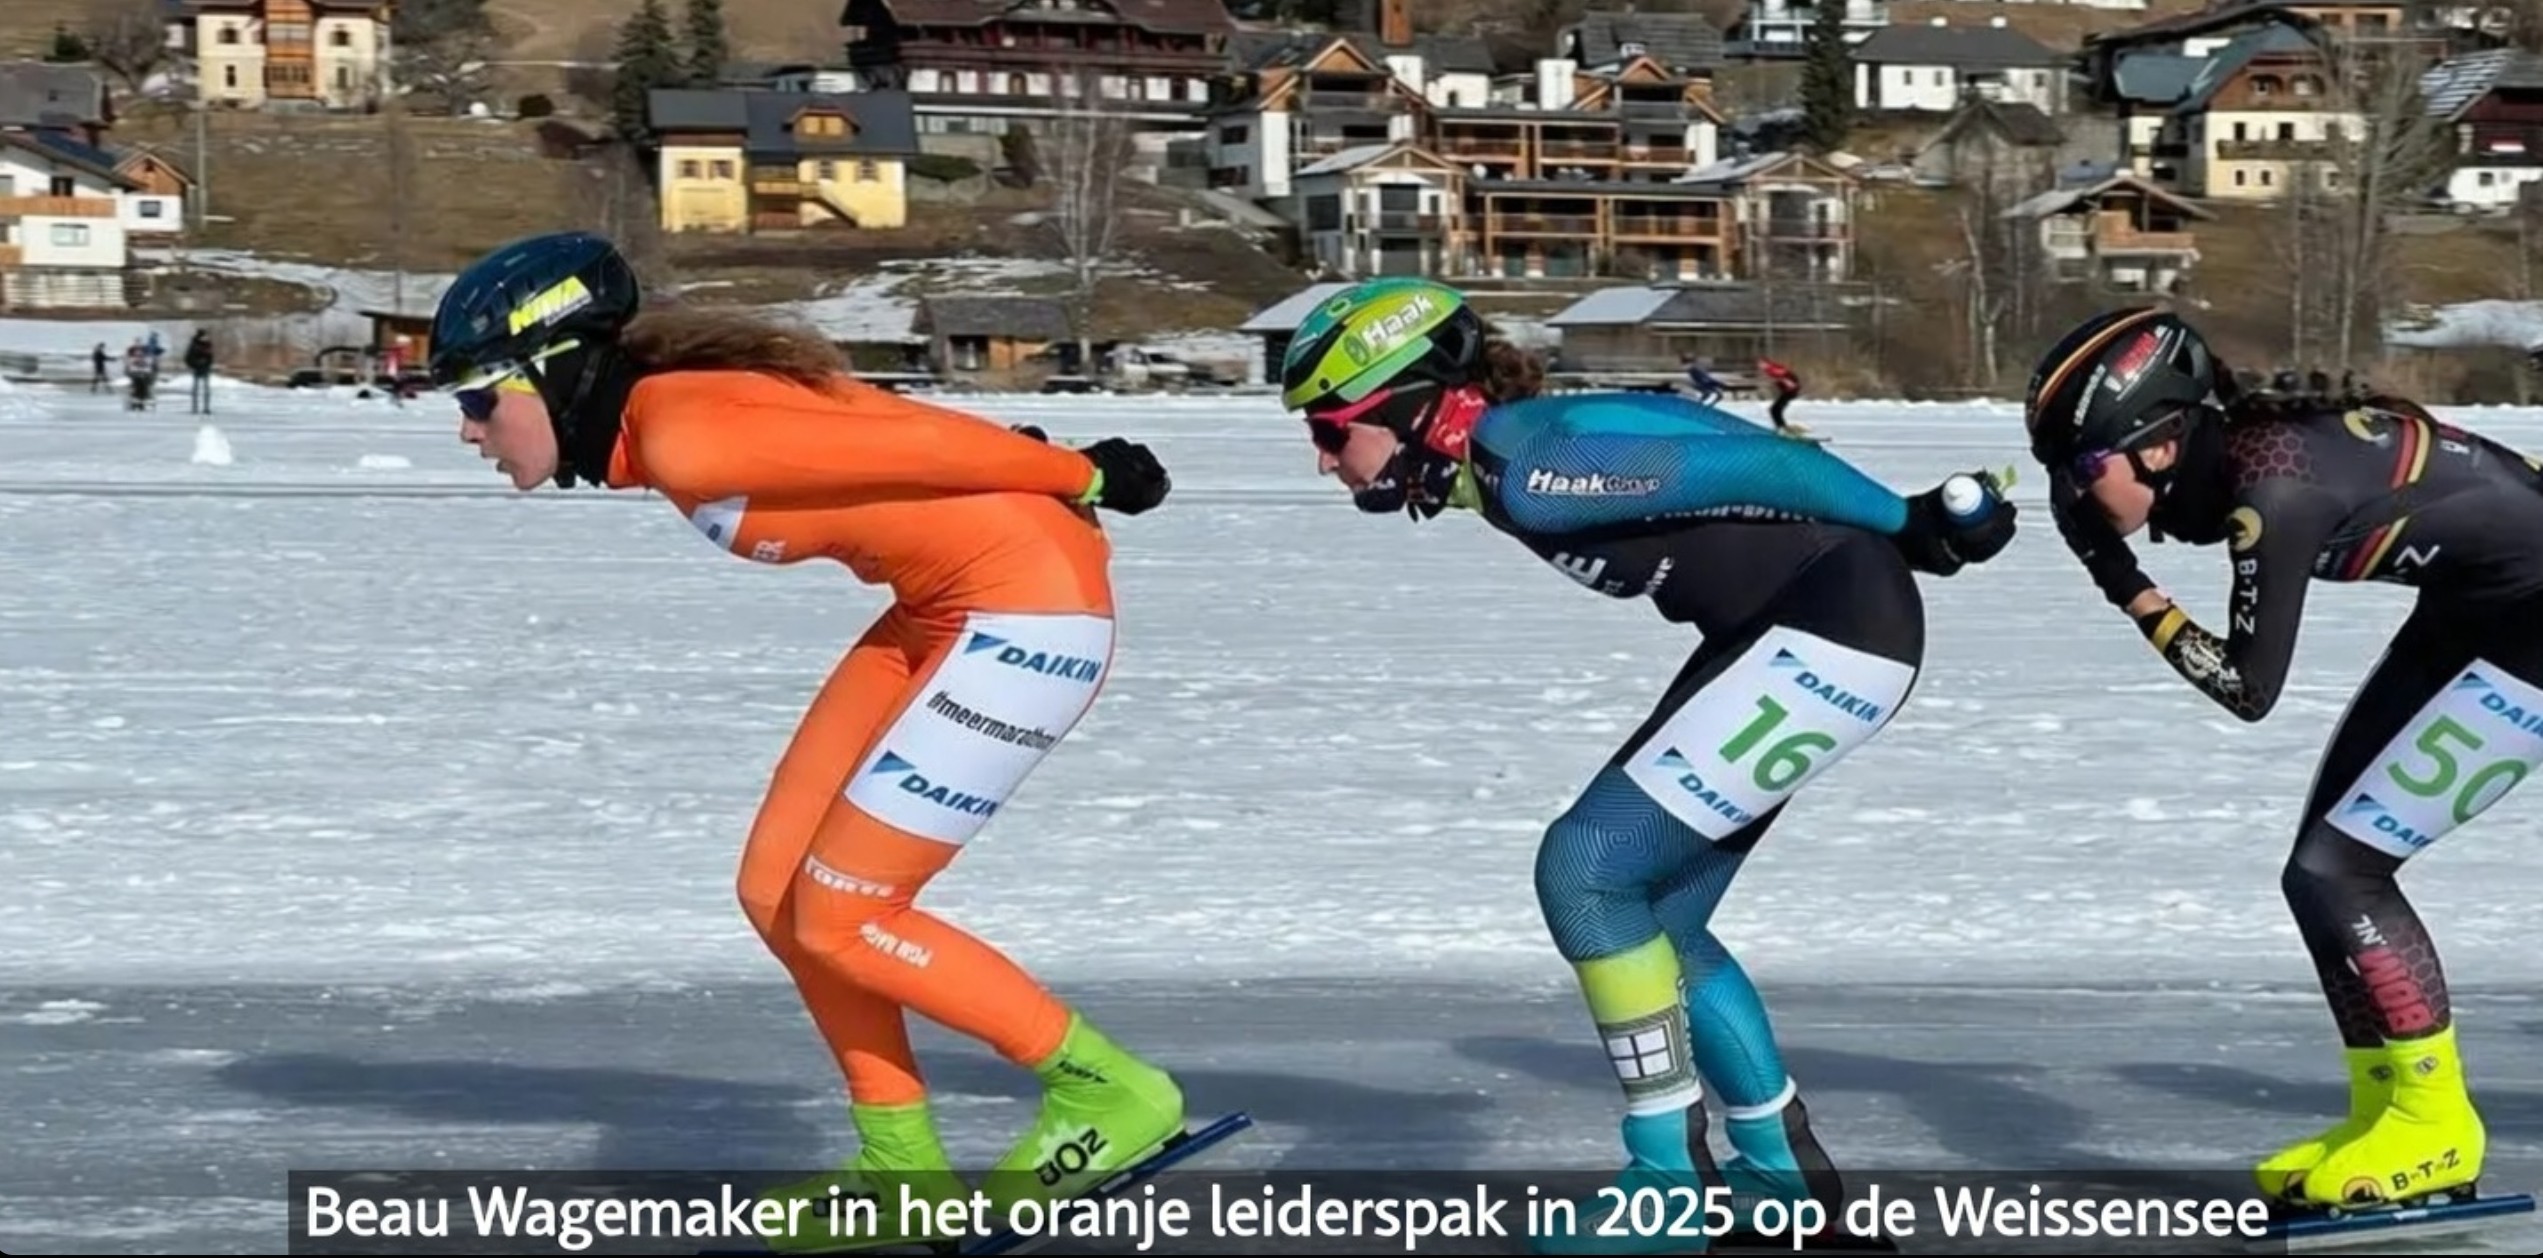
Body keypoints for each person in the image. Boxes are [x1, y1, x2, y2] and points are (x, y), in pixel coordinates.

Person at [426, 230, 1185, 1252]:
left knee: (845, 915)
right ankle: (900, 1164)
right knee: (778, 890)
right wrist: (1034, 466)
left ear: (549, 375)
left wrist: (1073, 473)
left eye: (478, 402)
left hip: (1026, 614)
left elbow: (913, 448)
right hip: (941, 610)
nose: (471, 432)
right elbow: (882, 423)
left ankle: (1109, 1091)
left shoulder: (683, 437)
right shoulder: (669, 414)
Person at [1278, 277, 2019, 1253]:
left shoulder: (1529, 470)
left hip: (1831, 632)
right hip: (1797, 624)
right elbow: (1691, 428)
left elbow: (1761, 464)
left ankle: (1667, 1179)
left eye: (1333, 429)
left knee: (1583, 871)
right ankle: (1780, 1177)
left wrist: (1905, 518)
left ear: (1413, 404)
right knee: (1658, 918)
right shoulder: (1523, 442)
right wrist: (1900, 527)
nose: (1321, 458)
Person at [2025, 305, 2538, 1214]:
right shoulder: (2239, 461)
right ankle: (2387, 1108)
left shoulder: (2273, 492)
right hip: (2476, 608)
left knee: (2343, 871)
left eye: (2079, 469)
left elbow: (2245, 688)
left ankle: (2435, 1124)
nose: (2069, 494)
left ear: (2156, 447)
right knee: (2317, 876)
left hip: (2530, 623)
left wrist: (2124, 583)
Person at [1758, 357, 1806, 438]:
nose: (1760, 366)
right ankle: (1781, 427)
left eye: (1762, 364)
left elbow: (1784, 374)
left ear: (1767, 363)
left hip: (1791, 391)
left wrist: (1789, 383)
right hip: (1788, 391)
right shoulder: (1770, 370)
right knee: (1775, 409)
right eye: (1759, 364)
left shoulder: (1772, 368)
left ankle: (1781, 428)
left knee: (1774, 409)